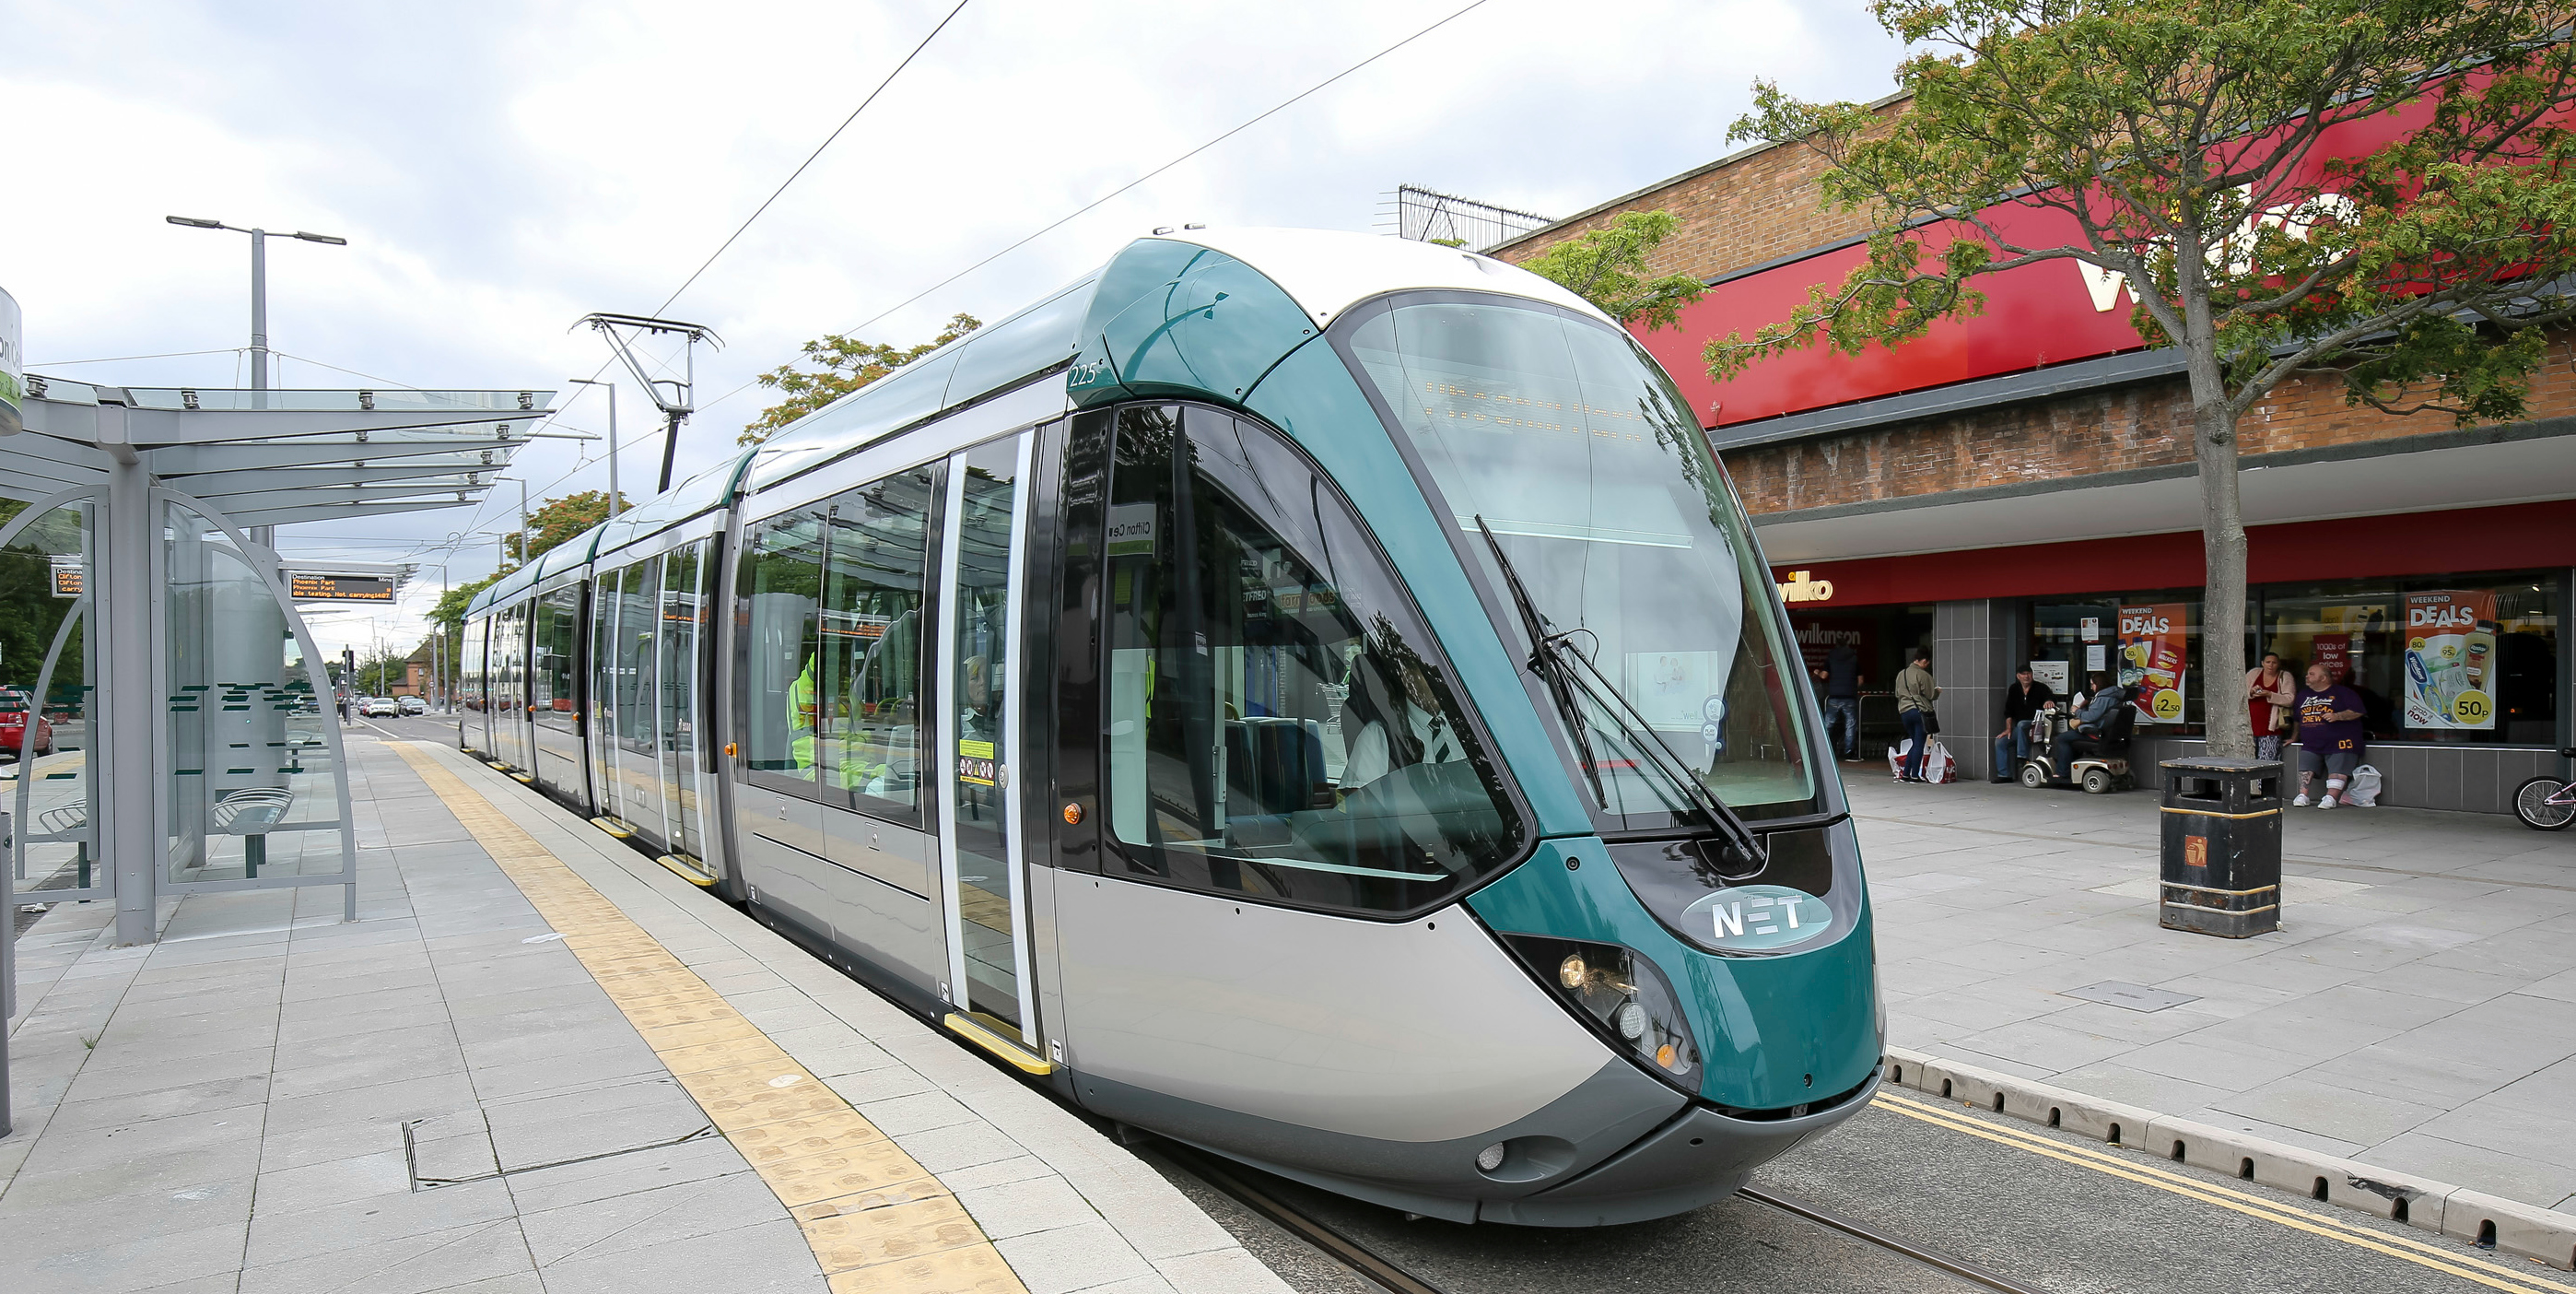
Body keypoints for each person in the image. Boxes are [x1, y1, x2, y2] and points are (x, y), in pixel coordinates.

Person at [2291, 661, 2367, 808]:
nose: (2307, 676)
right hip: (2311, 743)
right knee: (2305, 769)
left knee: (2338, 769)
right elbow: (2296, 719)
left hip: (2341, 742)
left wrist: (2337, 716)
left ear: (2323, 678)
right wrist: (2294, 737)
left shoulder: (2343, 693)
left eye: (2311, 674)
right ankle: (2302, 795)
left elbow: (2358, 711)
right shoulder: (2303, 695)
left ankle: (2330, 798)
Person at [1991, 665, 2055, 783]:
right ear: (2018, 676)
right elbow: (2008, 711)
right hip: (2020, 729)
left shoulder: (2041, 688)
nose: (2026, 676)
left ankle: (2022, 756)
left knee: (2021, 724)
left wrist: (2048, 701)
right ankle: (2004, 775)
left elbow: (2050, 697)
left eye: (2029, 673)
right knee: (2000, 741)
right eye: (2023, 674)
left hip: (2036, 726)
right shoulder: (2014, 689)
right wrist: (2008, 729)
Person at [2051, 672, 2124, 772]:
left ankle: (2062, 771)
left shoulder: (2103, 698)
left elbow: (2091, 717)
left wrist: (2077, 711)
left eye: (2092, 684)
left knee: (2062, 738)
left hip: (2096, 733)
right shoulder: (2114, 696)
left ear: (2099, 684)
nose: (2091, 688)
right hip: (2109, 733)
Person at [1893, 649, 1940, 783]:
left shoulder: (1901, 674)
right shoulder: (1922, 674)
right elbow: (1931, 695)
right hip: (1919, 711)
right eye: (1927, 663)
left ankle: (1905, 774)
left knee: (1915, 743)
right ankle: (1915, 775)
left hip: (1904, 712)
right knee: (1919, 744)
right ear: (1924, 661)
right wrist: (1938, 691)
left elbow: (1897, 694)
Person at [2245, 652, 2295, 763]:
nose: (2271, 665)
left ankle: (2263, 782)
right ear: (2262, 663)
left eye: (2274, 662)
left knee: (2266, 763)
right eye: (2268, 662)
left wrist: (2270, 695)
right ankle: (2251, 782)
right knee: (2247, 762)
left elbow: (2290, 699)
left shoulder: (2284, 676)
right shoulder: (2253, 673)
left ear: (2279, 664)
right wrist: (2251, 692)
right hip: (2249, 728)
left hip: (2271, 728)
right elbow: (2238, 693)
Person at [1823, 642, 1863, 760]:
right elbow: (1860, 680)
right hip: (1849, 696)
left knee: (1828, 724)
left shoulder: (1830, 658)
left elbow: (1824, 676)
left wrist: (1817, 673)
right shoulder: (1854, 659)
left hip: (1834, 696)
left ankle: (1823, 750)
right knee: (1850, 724)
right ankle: (1849, 752)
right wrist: (1853, 688)